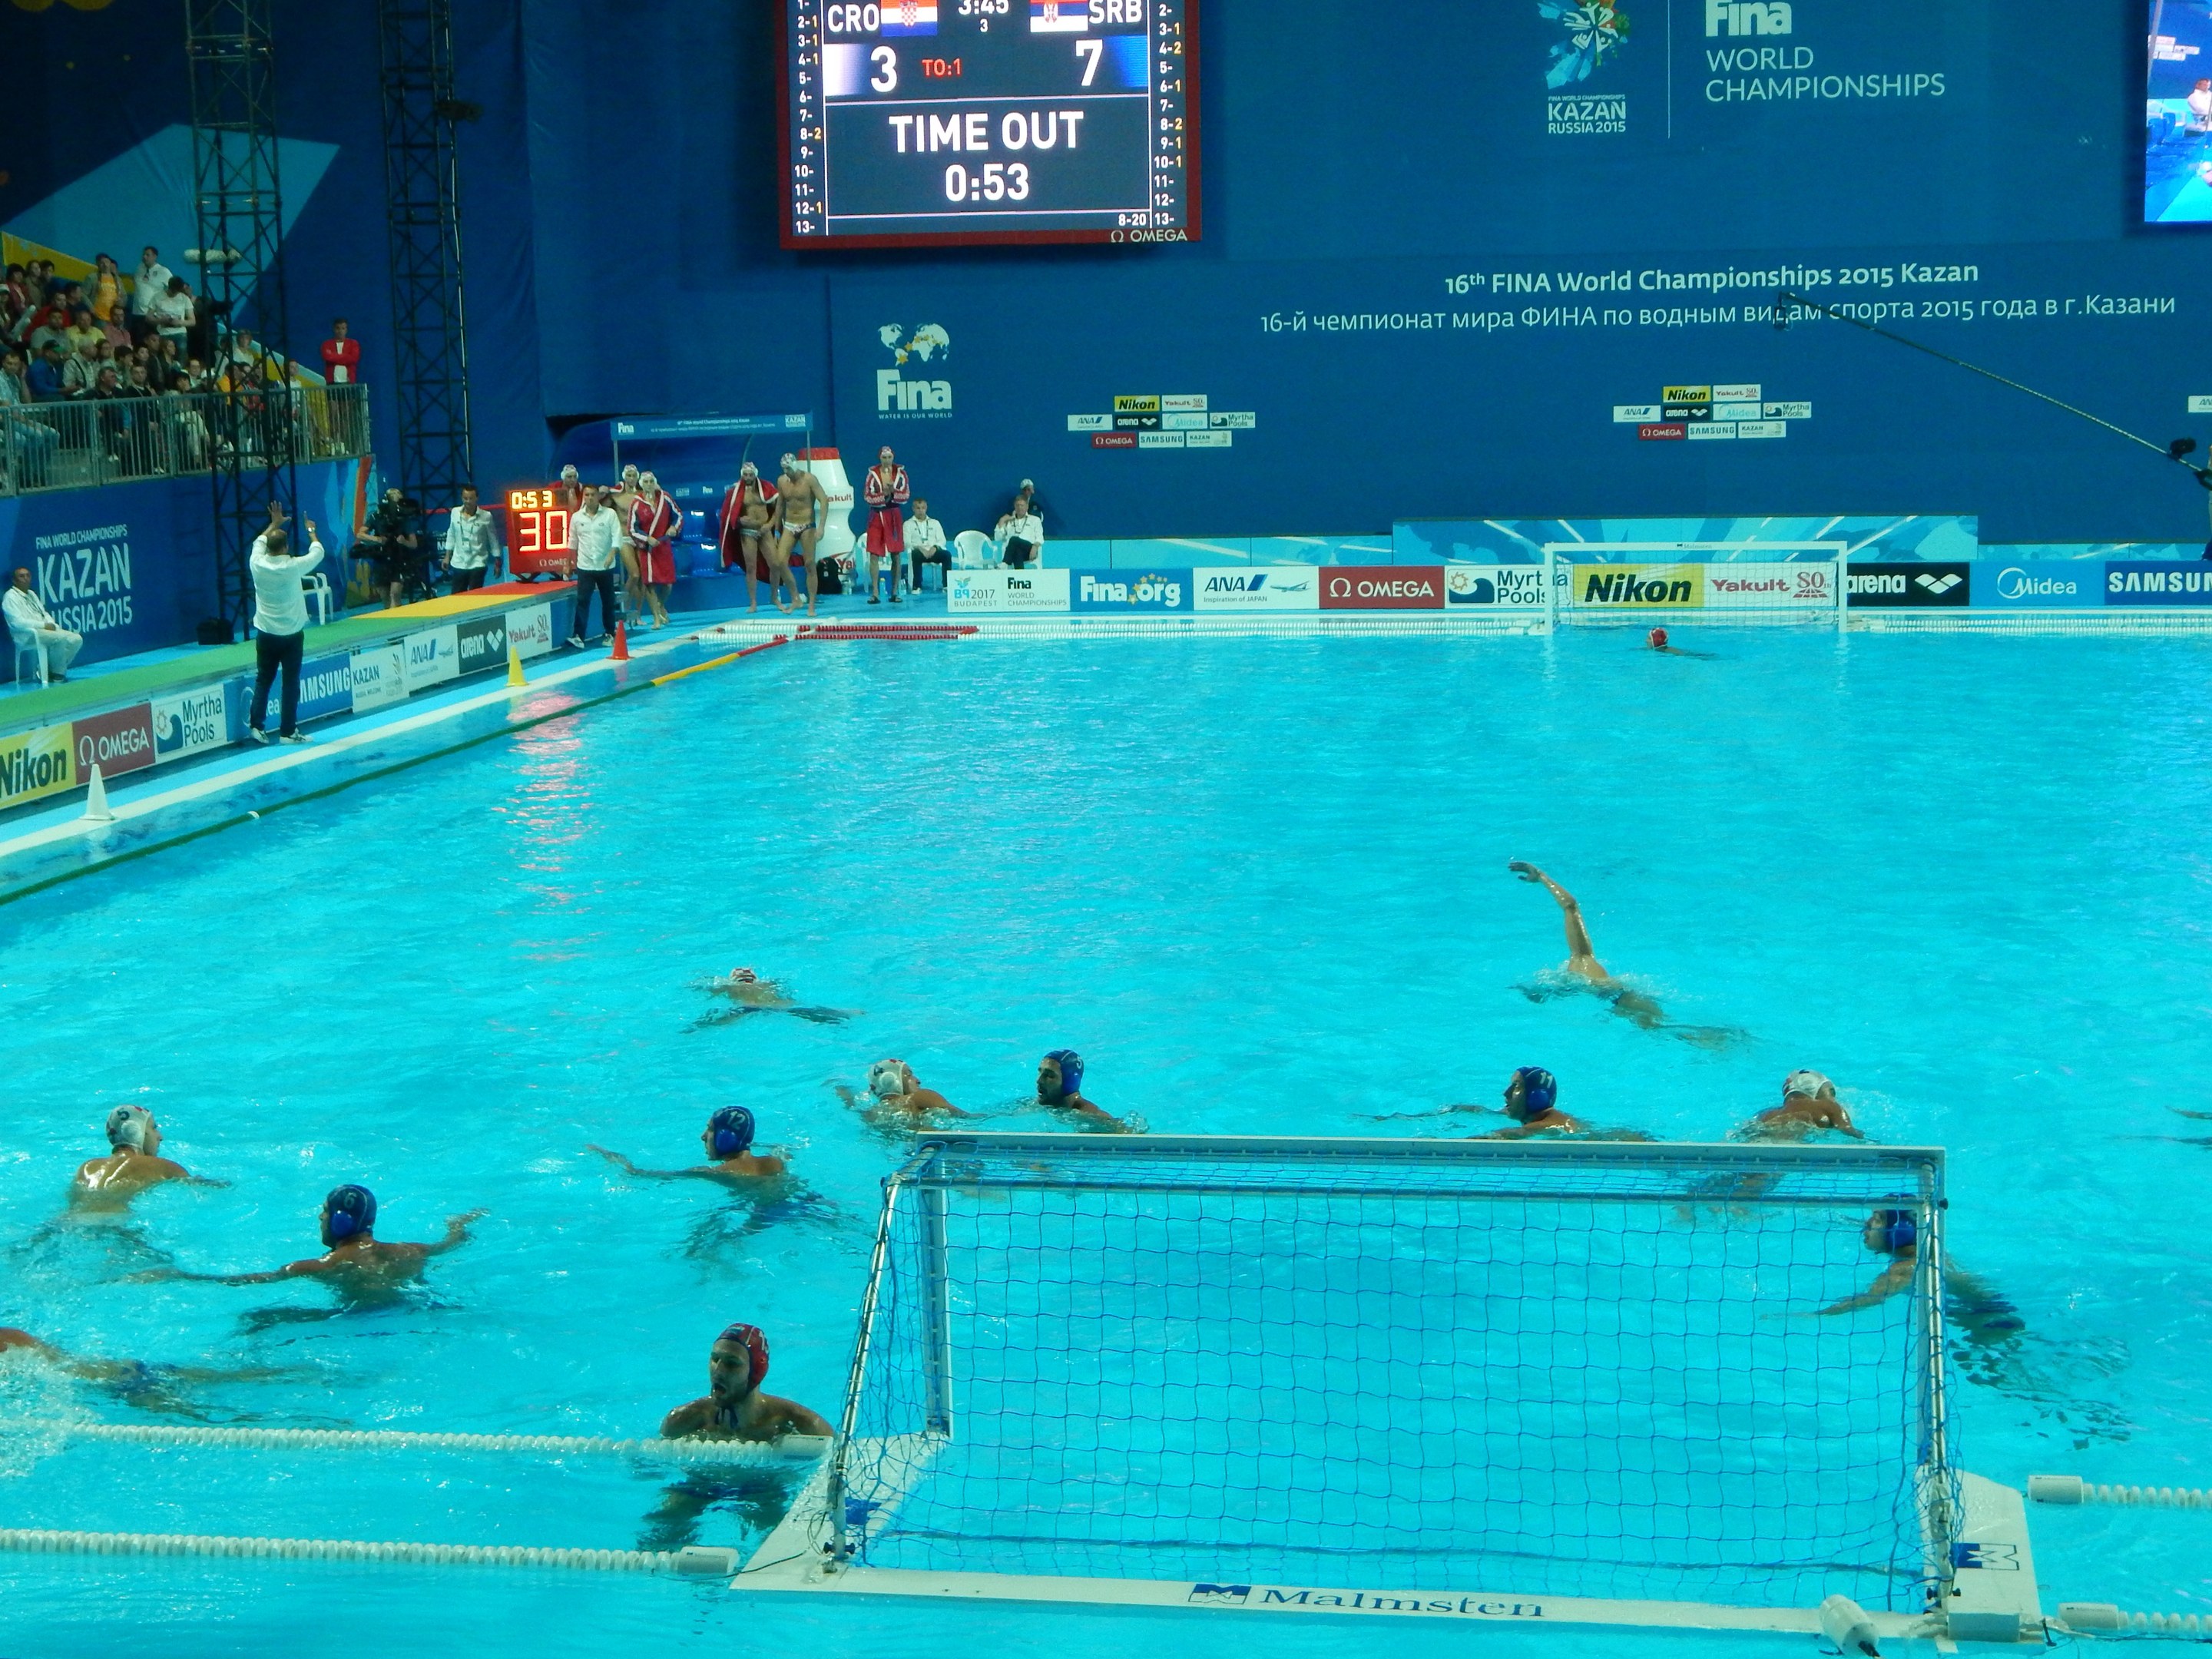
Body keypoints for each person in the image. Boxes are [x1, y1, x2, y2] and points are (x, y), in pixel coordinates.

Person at [151, 1185, 485, 1295]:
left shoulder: (322, 1266)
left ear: (341, 1220)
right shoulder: (411, 1251)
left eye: (324, 1212)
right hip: (413, 1309)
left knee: (261, 1320)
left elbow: (250, 1280)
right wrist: (459, 1224)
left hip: (358, 1323)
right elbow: (453, 1242)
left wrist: (181, 1275)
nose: (320, 1218)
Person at [660, 1323, 833, 1442]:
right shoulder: (682, 1422)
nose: (718, 1371)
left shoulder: (800, 1425)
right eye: (715, 1359)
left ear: (756, 1372)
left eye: (732, 1363)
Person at [246, 514, 325, 743]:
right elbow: (318, 552)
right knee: (290, 683)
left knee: (264, 680)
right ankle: (288, 732)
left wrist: (273, 524)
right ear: (286, 547)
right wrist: (311, 531)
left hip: (266, 633)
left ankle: (257, 727)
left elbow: (258, 542)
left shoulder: (256, 563)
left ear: (268, 548)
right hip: (291, 636)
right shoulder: (293, 566)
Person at [588, 1107, 788, 1187]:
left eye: (710, 1129)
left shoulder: (717, 1173)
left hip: (760, 1216)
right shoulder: (776, 1161)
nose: (703, 1136)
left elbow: (639, 1173)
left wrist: (612, 1157)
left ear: (725, 1138)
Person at [71, 1105, 224, 1208]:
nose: (160, 1137)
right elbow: (203, 1186)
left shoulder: (87, 1167)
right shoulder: (160, 1166)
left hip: (68, 1222)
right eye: (153, 1128)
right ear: (136, 1131)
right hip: (112, 1224)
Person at [690, 966, 851, 1028]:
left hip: (749, 1008)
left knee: (705, 1022)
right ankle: (845, 1015)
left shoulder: (729, 986)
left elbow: (705, 989)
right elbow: (786, 991)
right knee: (812, 1013)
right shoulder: (767, 983)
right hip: (781, 1006)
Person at [773, 454, 830, 618]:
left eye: (789, 469)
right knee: (780, 562)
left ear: (795, 466)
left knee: (809, 564)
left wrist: (821, 527)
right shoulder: (782, 481)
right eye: (784, 469)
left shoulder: (809, 479)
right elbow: (780, 505)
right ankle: (796, 598)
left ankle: (811, 605)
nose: (787, 472)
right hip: (789, 525)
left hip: (807, 525)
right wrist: (777, 530)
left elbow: (824, 500)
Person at [717, 462, 778, 613]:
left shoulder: (766, 488)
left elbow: (778, 509)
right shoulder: (735, 492)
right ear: (742, 475)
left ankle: (774, 597)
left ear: (755, 474)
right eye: (745, 475)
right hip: (747, 533)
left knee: (775, 565)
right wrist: (738, 520)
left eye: (750, 475)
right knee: (751, 568)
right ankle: (753, 603)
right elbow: (726, 515)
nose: (748, 478)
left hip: (764, 530)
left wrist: (769, 525)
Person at [567, 483, 623, 644]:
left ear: (598, 496)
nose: (590, 498)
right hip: (585, 566)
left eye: (593, 495)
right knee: (582, 601)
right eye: (587, 495)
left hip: (605, 566)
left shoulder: (610, 514)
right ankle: (578, 636)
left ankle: (610, 633)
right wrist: (568, 564)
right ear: (583, 497)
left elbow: (617, 536)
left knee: (608, 601)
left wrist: (612, 554)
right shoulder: (577, 517)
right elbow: (572, 542)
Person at [1737, 1071, 1863, 1142]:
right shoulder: (1829, 1106)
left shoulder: (1767, 1114)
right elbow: (1849, 1131)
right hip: (1791, 1141)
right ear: (1814, 1089)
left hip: (1762, 1140)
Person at [5, 566, 82, 680]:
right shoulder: (10, 597)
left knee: (76, 639)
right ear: (14, 581)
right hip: (27, 634)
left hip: (44, 631)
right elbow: (17, 623)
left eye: (28, 576)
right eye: (22, 576)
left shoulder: (31, 594)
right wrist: (43, 625)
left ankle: (46, 670)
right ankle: (57, 673)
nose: (26, 579)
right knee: (60, 638)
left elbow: (44, 613)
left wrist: (52, 624)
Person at [356, 485, 425, 609]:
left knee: (395, 594)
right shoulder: (376, 517)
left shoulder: (404, 519)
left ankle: (397, 617)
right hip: (381, 561)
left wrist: (404, 541)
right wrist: (377, 539)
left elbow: (414, 544)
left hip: (398, 560)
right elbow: (360, 534)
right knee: (385, 596)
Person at [628, 470, 680, 628]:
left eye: (651, 481)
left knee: (668, 584)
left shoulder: (665, 497)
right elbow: (632, 529)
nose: (649, 485)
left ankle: (660, 604)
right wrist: (647, 538)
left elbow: (678, 515)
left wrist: (673, 527)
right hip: (648, 549)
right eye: (646, 482)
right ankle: (656, 617)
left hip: (663, 546)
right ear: (641, 484)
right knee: (650, 583)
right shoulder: (636, 503)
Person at [1472, 1066, 1586, 1138]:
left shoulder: (1549, 1125)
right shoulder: (1542, 1115)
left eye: (1516, 1087)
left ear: (1536, 1098)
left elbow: (1517, 1133)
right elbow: (1488, 1111)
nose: (1506, 1093)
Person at [836, 1058, 965, 1121]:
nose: (917, 1080)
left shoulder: (871, 1115)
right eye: (909, 1075)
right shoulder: (919, 1097)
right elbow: (964, 1116)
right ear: (892, 1080)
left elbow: (851, 1106)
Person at [861, 445, 910, 604]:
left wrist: (893, 492)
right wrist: (883, 494)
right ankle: (875, 593)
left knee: (896, 554)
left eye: (889, 457)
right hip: (876, 515)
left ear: (893, 457)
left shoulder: (901, 474)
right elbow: (867, 496)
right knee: (873, 553)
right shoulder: (872, 475)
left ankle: (894, 592)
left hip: (894, 515)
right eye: (884, 458)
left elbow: (906, 495)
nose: (887, 460)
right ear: (880, 458)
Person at [1037, 1049, 1125, 1129]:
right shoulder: (1041, 1104)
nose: (1039, 1080)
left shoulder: (1090, 1117)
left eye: (1049, 1075)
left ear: (1070, 1082)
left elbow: (1125, 1134)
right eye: (1040, 1072)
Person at [442, 483, 501, 594]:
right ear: (461, 498)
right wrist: (447, 556)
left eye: (471, 498)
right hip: (459, 562)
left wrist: (497, 560)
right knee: (457, 597)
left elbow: (493, 539)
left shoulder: (486, 516)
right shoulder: (455, 512)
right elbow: (451, 534)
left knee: (475, 596)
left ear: (477, 498)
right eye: (465, 498)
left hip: (478, 562)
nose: (468, 501)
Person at [906, 498, 949, 594]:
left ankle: (946, 585)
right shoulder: (908, 524)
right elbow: (907, 542)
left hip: (933, 552)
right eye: (918, 508)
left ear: (926, 508)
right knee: (915, 554)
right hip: (919, 552)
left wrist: (935, 547)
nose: (921, 511)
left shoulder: (935, 523)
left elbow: (942, 540)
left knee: (947, 555)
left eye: (923, 508)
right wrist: (920, 548)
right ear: (913, 509)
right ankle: (917, 586)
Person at [995, 492, 1043, 568]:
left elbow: (1040, 537)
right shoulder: (1009, 521)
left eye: (1022, 505)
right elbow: (998, 538)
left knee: (1014, 539)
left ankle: (1005, 563)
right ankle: (1020, 574)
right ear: (1015, 506)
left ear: (1027, 507)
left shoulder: (1035, 520)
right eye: (1017, 505)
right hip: (1012, 552)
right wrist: (1001, 521)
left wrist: (1035, 547)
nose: (1020, 508)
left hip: (1029, 550)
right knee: (1017, 551)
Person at [130, 247, 173, 321]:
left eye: (147, 255)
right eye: (143, 255)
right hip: (137, 313)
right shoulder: (139, 268)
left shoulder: (163, 271)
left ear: (155, 257)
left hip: (153, 315)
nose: (144, 257)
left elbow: (173, 287)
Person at [320, 317, 359, 386]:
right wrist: (346, 357)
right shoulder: (326, 344)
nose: (340, 331)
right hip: (331, 382)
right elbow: (327, 357)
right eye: (338, 328)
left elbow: (353, 358)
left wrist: (334, 356)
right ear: (334, 329)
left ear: (346, 330)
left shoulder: (353, 344)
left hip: (349, 382)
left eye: (343, 328)